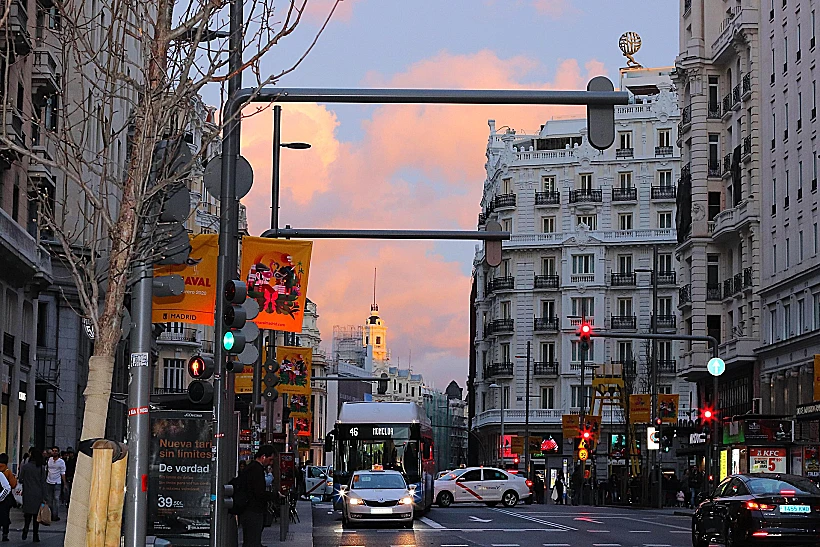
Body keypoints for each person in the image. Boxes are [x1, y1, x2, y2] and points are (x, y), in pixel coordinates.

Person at [237, 446, 276, 547]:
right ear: (263, 457)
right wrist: (274, 495)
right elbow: (259, 492)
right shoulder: (256, 469)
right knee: (253, 540)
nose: (270, 463)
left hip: (248, 509)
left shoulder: (250, 468)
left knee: (251, 540)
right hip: (253, 510)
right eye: (270, 459)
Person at [19, 448, 46, 542]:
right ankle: (35, 534)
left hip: (27, 493)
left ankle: (25, 529)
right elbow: (43, 482)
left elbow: (20, 478)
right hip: (38, 493)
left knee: (27, 514)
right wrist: (44, 496)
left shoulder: (26, 466)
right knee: (36, 516)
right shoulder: (42, 468)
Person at [45, 446, 66, 521]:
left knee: (56, 499)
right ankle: (50, 515)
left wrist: (65, 483)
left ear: (58, 452)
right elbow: (46, 470)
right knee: (49, 500)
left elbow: (63, 473)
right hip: (49, 482)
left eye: (56, 451)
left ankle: (55, 515)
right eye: (53, 451)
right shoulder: (49, 460)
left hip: (57, 483)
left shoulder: (61, 462)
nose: (54, 452)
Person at [0, 454, 14, 541]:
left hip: (3, 499)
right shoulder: (7, 471)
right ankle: (5, 534)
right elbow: (12, 484)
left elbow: (7, 487)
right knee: (5, 517)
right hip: (5, 500)